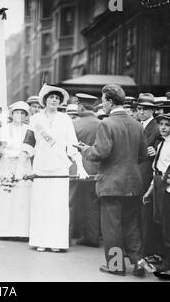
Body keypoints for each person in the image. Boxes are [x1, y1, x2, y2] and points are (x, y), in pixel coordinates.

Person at [76, 84, 150, 277]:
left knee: (112, 227)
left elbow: (100, 153)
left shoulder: (107, 124)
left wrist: (85, 149)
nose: (102, 104)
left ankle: (116, 266)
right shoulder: (136, 124)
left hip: (111, 184)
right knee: (131, 224)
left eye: (102, 100)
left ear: (109, 101)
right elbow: (142, 156)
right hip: (133, 184)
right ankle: (138, 262)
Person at [19, 84, 88, 252]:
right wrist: (20, 167)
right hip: (41, 168)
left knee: (57, 206)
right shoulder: (36, 119)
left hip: (59, 168)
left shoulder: (65, 119)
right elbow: (28, 143)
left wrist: (80, 167)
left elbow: (72, 146)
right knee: (41, 205)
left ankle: (56, 242)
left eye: (57, 98)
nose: (54, 100)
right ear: (45, 100)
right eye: (51, 97)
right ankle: (40, 241)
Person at [0, 101, 32, 238]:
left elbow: (33, 147)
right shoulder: (3, 128)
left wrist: (24, 154)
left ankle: (21, 231)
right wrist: (5, 152)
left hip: (23, 164)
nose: (19, 115)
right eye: (16, 112)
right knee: (6, 193)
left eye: (22, 113)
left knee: (21, 197)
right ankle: (3, 230)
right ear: (12, 113)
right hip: (7, 163)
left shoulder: (29, 129)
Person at [143, 113, 170, 276]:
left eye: (167, 125)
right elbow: (158, 168)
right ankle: (164, 258)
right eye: (161, 124)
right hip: (159, 184)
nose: (163, 127)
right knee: (160, 222)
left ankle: (169, 264)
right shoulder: (162, 144)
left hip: (169, 188)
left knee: (169, 225)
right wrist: (150, 190)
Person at [136, 93, 163, 262]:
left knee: (145, 213)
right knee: (136, 212)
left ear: (152, 111)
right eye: (139, 108)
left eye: (145, 109)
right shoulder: (137, 125)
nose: (142, 112)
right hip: (136, 174)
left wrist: (154, 148)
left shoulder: (156, 127)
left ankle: (145, 250)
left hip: (147, 174)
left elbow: (162, 144)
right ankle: (137, 247)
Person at [71, 93, 101, 247]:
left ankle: (66, 236)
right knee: (92, 204)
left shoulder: (74, 124)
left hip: (76, 170)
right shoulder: (101, 124)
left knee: (70, 203)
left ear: (80, 106)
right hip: (95, 170)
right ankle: (92, 238)